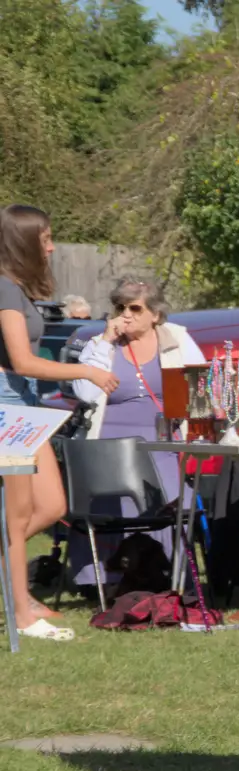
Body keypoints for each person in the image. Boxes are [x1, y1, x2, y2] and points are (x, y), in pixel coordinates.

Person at [0, 204, 118, 641]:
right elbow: (22, 360)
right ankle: (22, 614)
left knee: (51, 505)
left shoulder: (15, 289)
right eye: (46, 238)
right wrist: (85, 371)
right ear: (24, 241)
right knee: (16, 517)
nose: (51, 247)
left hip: (24, 403)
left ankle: (17, 591)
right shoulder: (4, 290)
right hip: (7, 404)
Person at [70, 278, 202, 589]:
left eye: (135, 308)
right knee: (113, 490)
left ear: (155, 314)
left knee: (175, 497)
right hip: (108, 449)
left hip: (163, 445)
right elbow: (85, 393)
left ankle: (167, 571)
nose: (125, 315)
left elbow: (199, 388)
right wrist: (105, 340)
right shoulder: (100, 345)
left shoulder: (178, 339)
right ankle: (102, 579)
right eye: (120, 308)